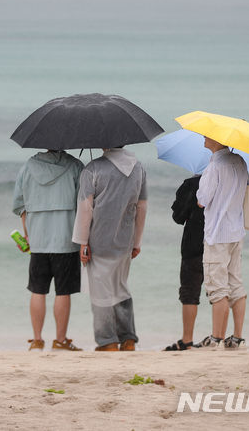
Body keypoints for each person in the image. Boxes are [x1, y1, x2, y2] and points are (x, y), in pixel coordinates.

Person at [72, 147, 147, 351]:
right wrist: (137, 241)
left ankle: (108, 341)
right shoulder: (138, 168)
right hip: (125, 240)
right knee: (120, 288)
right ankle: (128, 338)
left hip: (98, 240)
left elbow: (85, 209)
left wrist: (82, 242)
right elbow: (142, 207)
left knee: (101, 292)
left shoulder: (92, 169)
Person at [12, 150, 84, 351]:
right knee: (63, 292)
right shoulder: (76, 166)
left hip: (38, 240)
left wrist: (28, 235)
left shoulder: (28, 166)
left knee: (38, 290)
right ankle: (60, 340)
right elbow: (84, 203)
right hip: (67, 239)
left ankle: (37, 340)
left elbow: (20, 205)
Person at [195, 136, 249, 350]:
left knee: (217, 288)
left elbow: (202, 200)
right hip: (236, 230)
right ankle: (237, 338)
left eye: (207, 135)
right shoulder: (240, 162)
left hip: (217, 233)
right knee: (236, 283)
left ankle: (217, 339)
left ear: (217, 140)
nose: (204, 138)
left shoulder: (215, 166)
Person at [164, 175, 204, 351]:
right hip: (223, 242)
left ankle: (187, 339)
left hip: (194, 242)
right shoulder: (232, 179)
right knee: (222, 291)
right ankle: (221, 335)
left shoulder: (193, 184)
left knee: (190, 291)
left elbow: (178, 216)